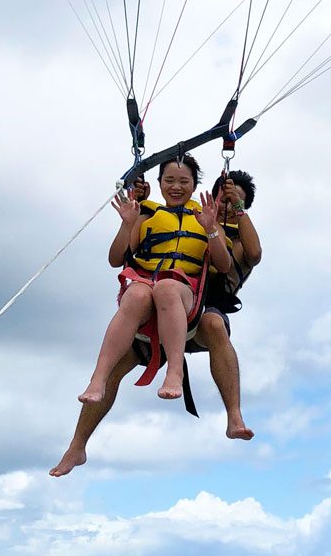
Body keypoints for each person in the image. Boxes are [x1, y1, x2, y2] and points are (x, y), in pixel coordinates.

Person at [50, 166, 262, 477]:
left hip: (200, 313)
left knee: (214, 325)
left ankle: (234, 416)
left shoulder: (236, 237)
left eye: (236, 202)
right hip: (158, 310)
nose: (228, 205)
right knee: (115, 365)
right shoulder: (190, 215)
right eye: (225, 197)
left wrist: (231, 212)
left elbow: (253, 254)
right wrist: (141, 204)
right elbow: (158, 219)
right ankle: (77, 445)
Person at [77, 154, 229, 405]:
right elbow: (115, 259)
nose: (176, 187)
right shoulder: (146, 216)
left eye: (184, 181)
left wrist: (211, 228)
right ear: (159, 183)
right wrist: (127, 225)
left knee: (167, 288)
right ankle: (98, 379)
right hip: (145, 287)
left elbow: (223, 265)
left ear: (193, 185)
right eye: (169, 180)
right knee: (136, 294)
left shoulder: (206, 218)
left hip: (184, 291)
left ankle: (174, 373)